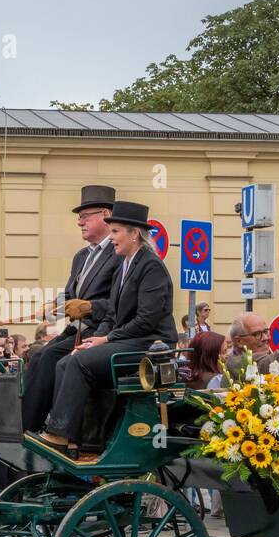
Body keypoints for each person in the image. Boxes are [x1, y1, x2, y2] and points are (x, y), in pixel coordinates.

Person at [37, 200, 175, 457]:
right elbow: (112, 312)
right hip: (130, 339)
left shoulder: (151, 266)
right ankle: (74, 441)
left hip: (152, 344)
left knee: (80, 363)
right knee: (67, 361)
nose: (111, 238)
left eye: (115, 232)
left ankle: (60, 434)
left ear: (134, 234)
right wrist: (98, 338)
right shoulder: (125, 265)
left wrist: (107, 338)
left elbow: (146, 319)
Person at [21, 185, 120, 432]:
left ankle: (44, 428)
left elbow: (121, 301)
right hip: (75, 329)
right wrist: (52, 305)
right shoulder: (81, 256)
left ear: (105, 214)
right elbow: (70, 293)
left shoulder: (119, 252)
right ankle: (27, 425)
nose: (80, 222)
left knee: (52, 360)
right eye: (79, 217)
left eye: (85, 216)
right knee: (38, 356)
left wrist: (89, 307)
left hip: (99, 331)